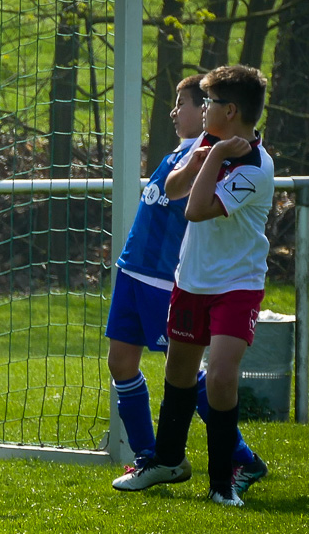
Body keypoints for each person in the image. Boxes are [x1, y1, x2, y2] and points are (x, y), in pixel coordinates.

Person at [113, 65, 275, 506]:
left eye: (208, 103)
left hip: (236, 285)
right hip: (191, 281)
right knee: (178, 373)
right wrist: (204, 156)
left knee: (221, 378)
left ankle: (223, 485)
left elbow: (195, 210)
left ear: (232, 110)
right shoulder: (207, 143)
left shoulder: (257, 167)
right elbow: (173, 186)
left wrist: (216, 157)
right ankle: (166, 461)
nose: (202, 111)